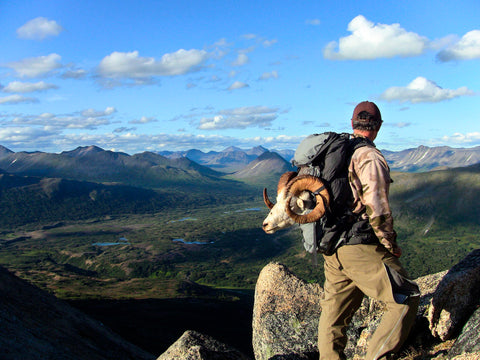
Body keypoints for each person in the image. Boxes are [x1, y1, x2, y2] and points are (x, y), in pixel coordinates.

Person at [317, 101, 420, 360]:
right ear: (377, 127)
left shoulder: (337, 153)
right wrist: (389, 244)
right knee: (405, 297)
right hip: (359, 246)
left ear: (353, 124)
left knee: (334, 317)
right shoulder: (369, 157)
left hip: (332, 247)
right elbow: (377, 208)